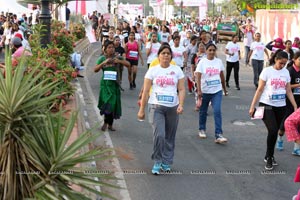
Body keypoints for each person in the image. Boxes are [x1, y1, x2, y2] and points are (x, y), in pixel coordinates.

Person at [137, 45, 185, 175]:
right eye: (163, 53)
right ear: (158, 56)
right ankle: (157, 161)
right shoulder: (152, 70)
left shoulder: (177, 71)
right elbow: (146, 91)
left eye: (168, 53)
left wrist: (181, 104)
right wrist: (141, 109)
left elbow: (181, 89)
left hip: (172, 108)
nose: (166, 55)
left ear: (171, 56)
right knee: (160, 135)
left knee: (170, 136)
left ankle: (166, 162)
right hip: (155, 107)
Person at [249, 50, 297, 171]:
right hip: (267, 105)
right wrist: (252, 106)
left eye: (285, 63)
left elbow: (288, 90)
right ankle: (269, 157)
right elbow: (259, 89)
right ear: (276, 59)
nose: (282, 66)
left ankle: (268, 155)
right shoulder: (267, 71)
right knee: (273, 129)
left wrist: (295, 106)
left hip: (281, 106)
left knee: (274, 132)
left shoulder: (286, 72)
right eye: (281, 63)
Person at [195, 43, 228, 143]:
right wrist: (199, 90)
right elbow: (198, 76)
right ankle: (202, 129)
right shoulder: (202, 62)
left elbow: (222, 75)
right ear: (206, 51)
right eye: (210, 50)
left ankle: (218, 134)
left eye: (213, 50)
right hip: (205, 91)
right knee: (203, 111)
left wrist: (224, 89)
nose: (212, 52)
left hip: (217, 91)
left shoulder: (218, 62)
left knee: (217, 111)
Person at [94, 41, 130, 131]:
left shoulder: (118, 57)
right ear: (105, 49)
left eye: (112, 47)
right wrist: (103, 63)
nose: (111, 49)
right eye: (109, 47)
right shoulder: (102, 58)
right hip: (105, 85)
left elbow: (128, 64)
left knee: (113, 104)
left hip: (114, 85)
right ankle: (106, 122)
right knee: (107, 103)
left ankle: (110, 124)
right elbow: (95, 70)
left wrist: (119, 61)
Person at [277, 51, 300, 153]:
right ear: (294, 59)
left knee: (298, 125)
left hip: (299, 102)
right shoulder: (289, 71)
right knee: (285, 124)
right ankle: (280, 138)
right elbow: (287, 87)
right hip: (290, 102)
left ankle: (296, 148)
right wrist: (298, 85)